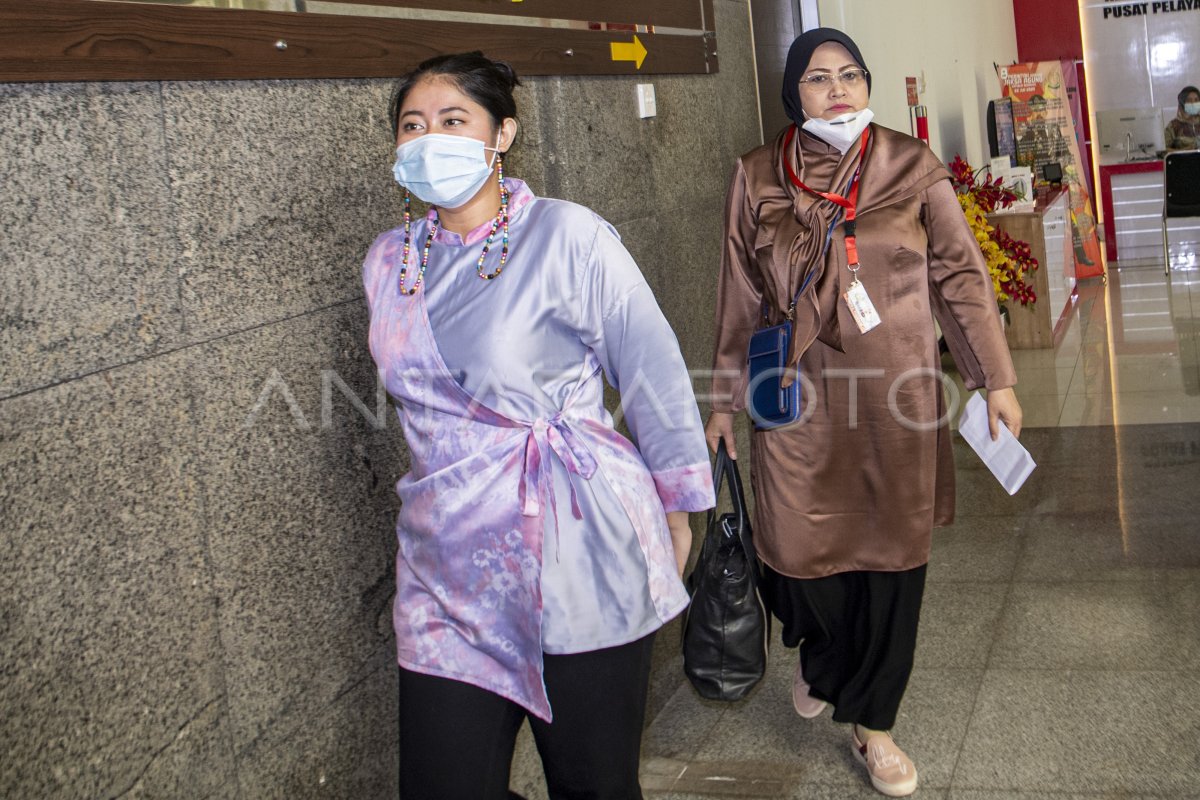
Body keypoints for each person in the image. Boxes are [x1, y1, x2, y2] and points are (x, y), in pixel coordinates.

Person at [363, 52, 715, 798]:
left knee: (595, 784)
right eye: (412, 126)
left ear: (503, 134)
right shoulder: (387, 263)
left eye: (453, 120)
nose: (430, 139)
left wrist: (682, 501)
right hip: (444, 567)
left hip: (574, 552)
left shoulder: (568, 236)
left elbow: (649, 365)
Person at [706, 28, 1022, 798]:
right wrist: (720, 400)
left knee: (891, 559)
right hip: (794, 394)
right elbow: (740, 297)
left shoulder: (909, 167)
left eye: (851, 74)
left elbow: (961, 279)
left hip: (896, 400)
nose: (838, 89)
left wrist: (995, 378)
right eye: (818, 78)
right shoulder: (757, 176)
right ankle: (821, 654)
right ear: (794, 94)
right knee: (793, 554)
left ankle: (875, 725)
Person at [1164, 85, 1200, 150]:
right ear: (1182, 103)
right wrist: (1183, 151)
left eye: (1196, 100)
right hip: (1184, 159)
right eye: (1189, 100)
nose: (1193, 103)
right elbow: (1162, 149)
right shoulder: (1174, 125)